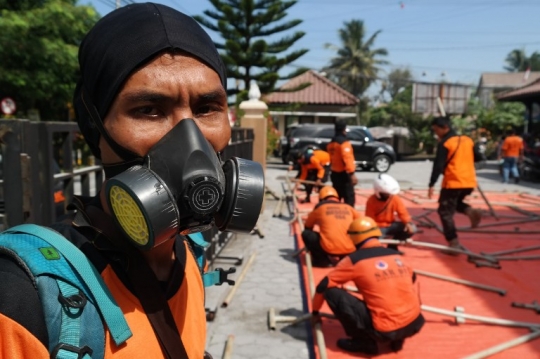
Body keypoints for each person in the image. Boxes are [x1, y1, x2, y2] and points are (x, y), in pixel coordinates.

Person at [0, 3, 264, 358]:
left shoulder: (189, 252)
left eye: (206, 108)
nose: (193, 140)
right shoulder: (20, 300)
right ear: (95, 126)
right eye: (148, 110)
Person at [311, 217, 424, 355]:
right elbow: (412, 278)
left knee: (331, 293)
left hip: (385, 330)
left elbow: (323, 286)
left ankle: (364, 343)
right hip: (415, 323)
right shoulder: (396, 256)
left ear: (354, 238)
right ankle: (398, 341)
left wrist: (315, 312)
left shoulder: (353, 260)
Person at [428, 116, 483, 251]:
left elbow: (438, 165)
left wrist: (431, 184)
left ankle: (453, 242)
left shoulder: (446, 144)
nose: (436, 134)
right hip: (469, 181)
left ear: (445, 128)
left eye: (436, 130)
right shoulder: (468, 140)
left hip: (453, 181)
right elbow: (479, 157)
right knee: (455, 203)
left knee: (444, 212)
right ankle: (470, 211)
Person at [302, 186, 360, 267]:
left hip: (328, 249)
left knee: (307, 234)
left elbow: (308, 226)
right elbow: (362, 224)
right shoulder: (349, 208)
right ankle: (346, 257)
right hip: (350, 249)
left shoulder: (320, 208)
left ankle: (322, 260)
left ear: (321, 199)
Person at [365, 174, 416, 251]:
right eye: (386, 194)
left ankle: (392, 246)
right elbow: (370, 221)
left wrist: (408, 223)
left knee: (413, 228)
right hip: (378, 228)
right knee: (371, 240)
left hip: (391, 225)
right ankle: (379, 249)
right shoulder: (371, 201)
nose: (388, 196)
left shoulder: (394, 198)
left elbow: (402, 212)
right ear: (378, 192)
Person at [327, 119, 358, 207]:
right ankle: (349, 218)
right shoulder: (344, 143)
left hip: (334, 174)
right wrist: (352, 174)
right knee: (349, 199)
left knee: (337, 197)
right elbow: (347, 159)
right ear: (344, 129)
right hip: (344, 175)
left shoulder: (330, 144)